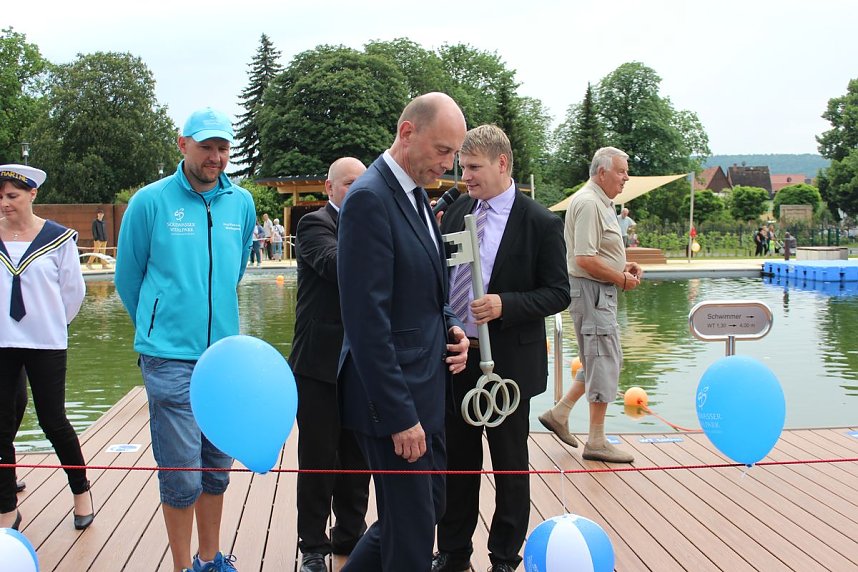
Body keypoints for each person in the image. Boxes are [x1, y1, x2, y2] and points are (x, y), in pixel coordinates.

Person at [115, 107, 255, 572]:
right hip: (169, 357)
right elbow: (129, 277)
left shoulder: (242, 203)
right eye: (206, 147)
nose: (216, 157)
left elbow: (233, 272)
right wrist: (156, 327)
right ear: (182, 144)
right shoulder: (150, 202)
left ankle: (210, 559)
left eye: (222, 148)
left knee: (215, 468)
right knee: (181, 473)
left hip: (223, 358)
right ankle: (180, 567)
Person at [337, 92, 470, 572]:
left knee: (422, 512)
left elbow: (427, 291)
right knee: (412, 538)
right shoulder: (370, 199)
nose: (450, 164)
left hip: (426, 388)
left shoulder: (415, 197)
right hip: (393, 404)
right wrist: (400, 417)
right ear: (407, 133)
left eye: (454, 153)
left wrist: (451, 327)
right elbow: (365, 322)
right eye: (442, 151)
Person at [434, 125, 570, 572]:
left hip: (510, 363)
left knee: (510, 464)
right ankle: (454, 554)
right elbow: (446, 278)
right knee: (458, 462)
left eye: (473, 168)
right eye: (462, 167)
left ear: (502, 164)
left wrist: (504, 304)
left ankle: (505, 557)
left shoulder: (541, 222)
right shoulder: (456, 215)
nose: (465, 176)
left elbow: (558, 293)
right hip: (457, 357)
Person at [0, 164, 93, 531]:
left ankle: (81, 491)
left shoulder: (58, 239)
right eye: (0, 197)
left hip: (46, 343)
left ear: (32, 194)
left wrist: (51, 323)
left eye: (12, 196)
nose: (5, 204)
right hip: (2, 344)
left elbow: (73, 294)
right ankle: (7, 507)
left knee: (53, 421)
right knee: (0, 427)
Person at [290, 157, 370, 572]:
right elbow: (336, 265)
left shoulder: (374, 226)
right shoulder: (314, 224)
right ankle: (314, 547)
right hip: (318, 365)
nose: (356, 191)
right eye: (348, 184)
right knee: (319, 458)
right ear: (330, 188)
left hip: (362, 366)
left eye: (363, 184)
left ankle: (349, 537)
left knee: (358, 459)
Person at [538, 147, 642, 464]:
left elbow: (596, 253)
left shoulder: (601, 203)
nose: (626, 177)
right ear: (602, 172)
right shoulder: (588, 203)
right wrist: (620, 278)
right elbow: (583, 258)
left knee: (598, 359)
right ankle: (596, 441)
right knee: (604, 359)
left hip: (599, 291)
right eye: (622, 171)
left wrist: (622, 268)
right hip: (593, 291)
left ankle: (560, 413)